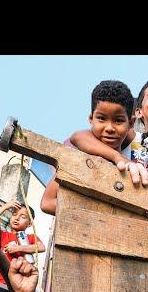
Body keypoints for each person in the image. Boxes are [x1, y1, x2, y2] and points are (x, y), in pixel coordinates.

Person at [41, 79, 142, 215]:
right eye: (101, 118)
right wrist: (98, 212)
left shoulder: (131, 170)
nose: (109, 128)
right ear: (91, 119)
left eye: (118, 120)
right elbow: (47, 202)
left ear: (131, 123)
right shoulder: (78, 158)